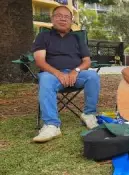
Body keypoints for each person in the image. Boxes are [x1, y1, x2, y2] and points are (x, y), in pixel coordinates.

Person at [30, 5, 100, 142]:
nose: (63, 19)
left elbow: (87, 61)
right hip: (52, 75)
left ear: (71, 20)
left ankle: (89, 114)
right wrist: (58, 73)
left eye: (66, 16)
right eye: (59, 16)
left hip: (76, 75)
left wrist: (75, 71)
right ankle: (52, 125)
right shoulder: (43, 36)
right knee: (45, 78)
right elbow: (39, 61)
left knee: (93, 76)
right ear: (52, 19)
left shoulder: (77, 38)